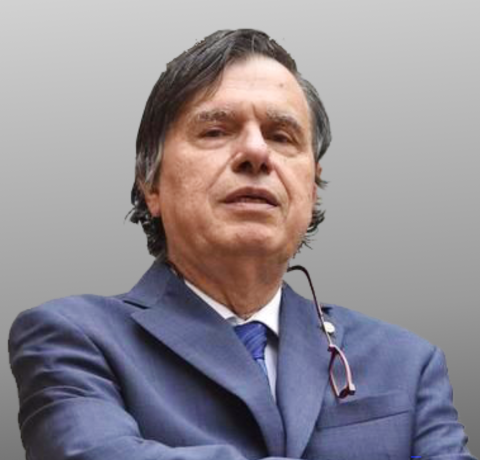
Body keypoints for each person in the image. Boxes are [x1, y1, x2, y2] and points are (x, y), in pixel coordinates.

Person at [8, 29, 476, 460]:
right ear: (151, 184)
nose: (256, 153)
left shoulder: (407, 362)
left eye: (281, 136)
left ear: (312, 188)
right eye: (215, 131)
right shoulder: (74, 339)